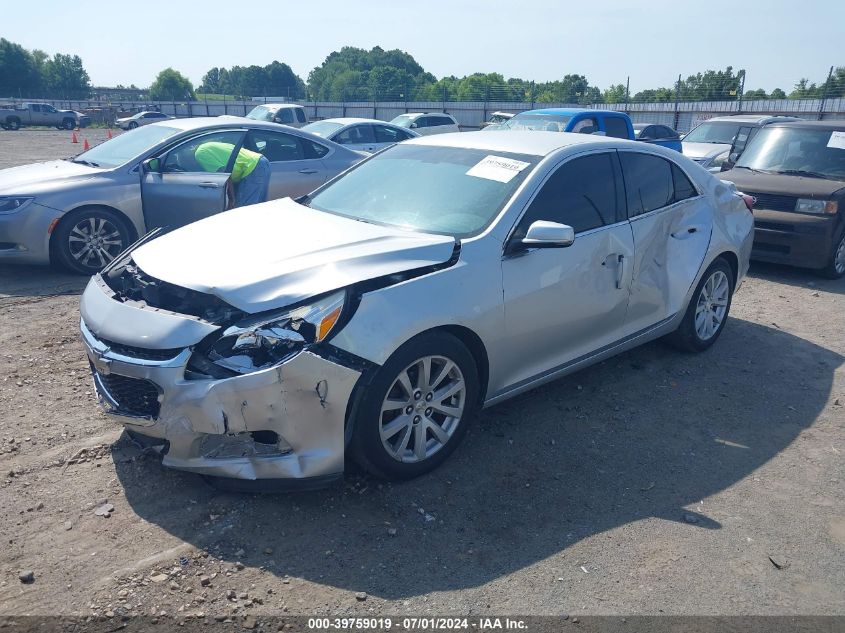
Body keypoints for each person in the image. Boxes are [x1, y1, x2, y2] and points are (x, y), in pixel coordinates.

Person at [194, 141, 271, 208]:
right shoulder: (207, 146)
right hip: (259, 162)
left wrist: (232, 200)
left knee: (243, 210)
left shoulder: (200, 154)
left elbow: (224, 177)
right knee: (254, 207)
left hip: (253, 167)